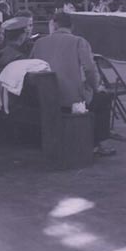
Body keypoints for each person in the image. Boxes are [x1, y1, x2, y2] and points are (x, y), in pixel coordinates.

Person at [31, 11, 116, 157]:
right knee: (103, 98)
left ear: (54, 24)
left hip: (46, 98)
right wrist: (96, 88)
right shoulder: (78, 41)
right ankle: (98, 143)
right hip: (73, 99)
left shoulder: (39, 43)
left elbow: (31, 66)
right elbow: (89, 69)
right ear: (72, 26)